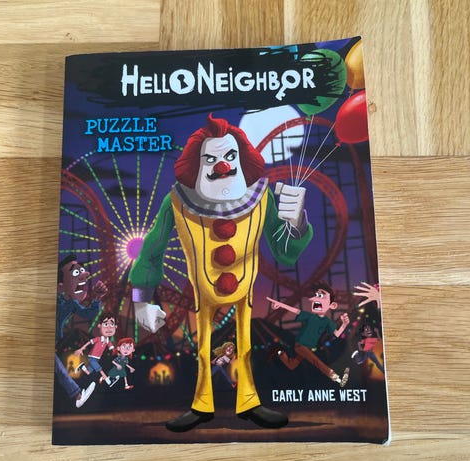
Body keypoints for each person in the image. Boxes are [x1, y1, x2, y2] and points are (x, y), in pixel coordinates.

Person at [129, 114, 313, 432]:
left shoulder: (262, 198)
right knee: (203, 347)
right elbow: (152, 248)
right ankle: (202, 405)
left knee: (246, 344)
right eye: (210, 159)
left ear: (242, 159)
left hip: (245, 289)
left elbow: (284, 252)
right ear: (196, 165)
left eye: (229, 156)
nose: (222, 166)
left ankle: (249, 402)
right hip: (202, 291)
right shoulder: (176, 203)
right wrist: (141, 299)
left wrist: (296, 223)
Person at [267, 280, 350, 387]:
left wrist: (344, 324)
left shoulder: (327, 322)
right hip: (300, 346)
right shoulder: (310, 316)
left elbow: (337, 334)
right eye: (316, 295)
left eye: (321, 296)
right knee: (316, 362)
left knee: (292, 365)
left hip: (309, 347)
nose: (315, 299)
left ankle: (280, 353)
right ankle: (338, 379)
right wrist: (280, 304)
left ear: (332, 305)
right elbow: (294, 310)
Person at [55, 254, 108, 408]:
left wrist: (97, 298)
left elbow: (88, 314)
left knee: (57, 368)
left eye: (82, 270)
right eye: (75, 272)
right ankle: (77, 395)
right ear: (60, 285)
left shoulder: (71, 303)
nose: (84, 275)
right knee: (57, 367)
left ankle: (77, 394)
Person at [74, 315, 116, 386]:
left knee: (89, 372)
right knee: (100, 370)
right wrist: (81, 349)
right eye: (106, 324)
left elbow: (113, 349)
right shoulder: (98, 339)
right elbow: (89, 342)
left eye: (112, 325)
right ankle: (109, 381)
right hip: (92, 358)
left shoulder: (108, 341)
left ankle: (82, 367)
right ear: (99, 326)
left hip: (97, 359)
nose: (109, 328)